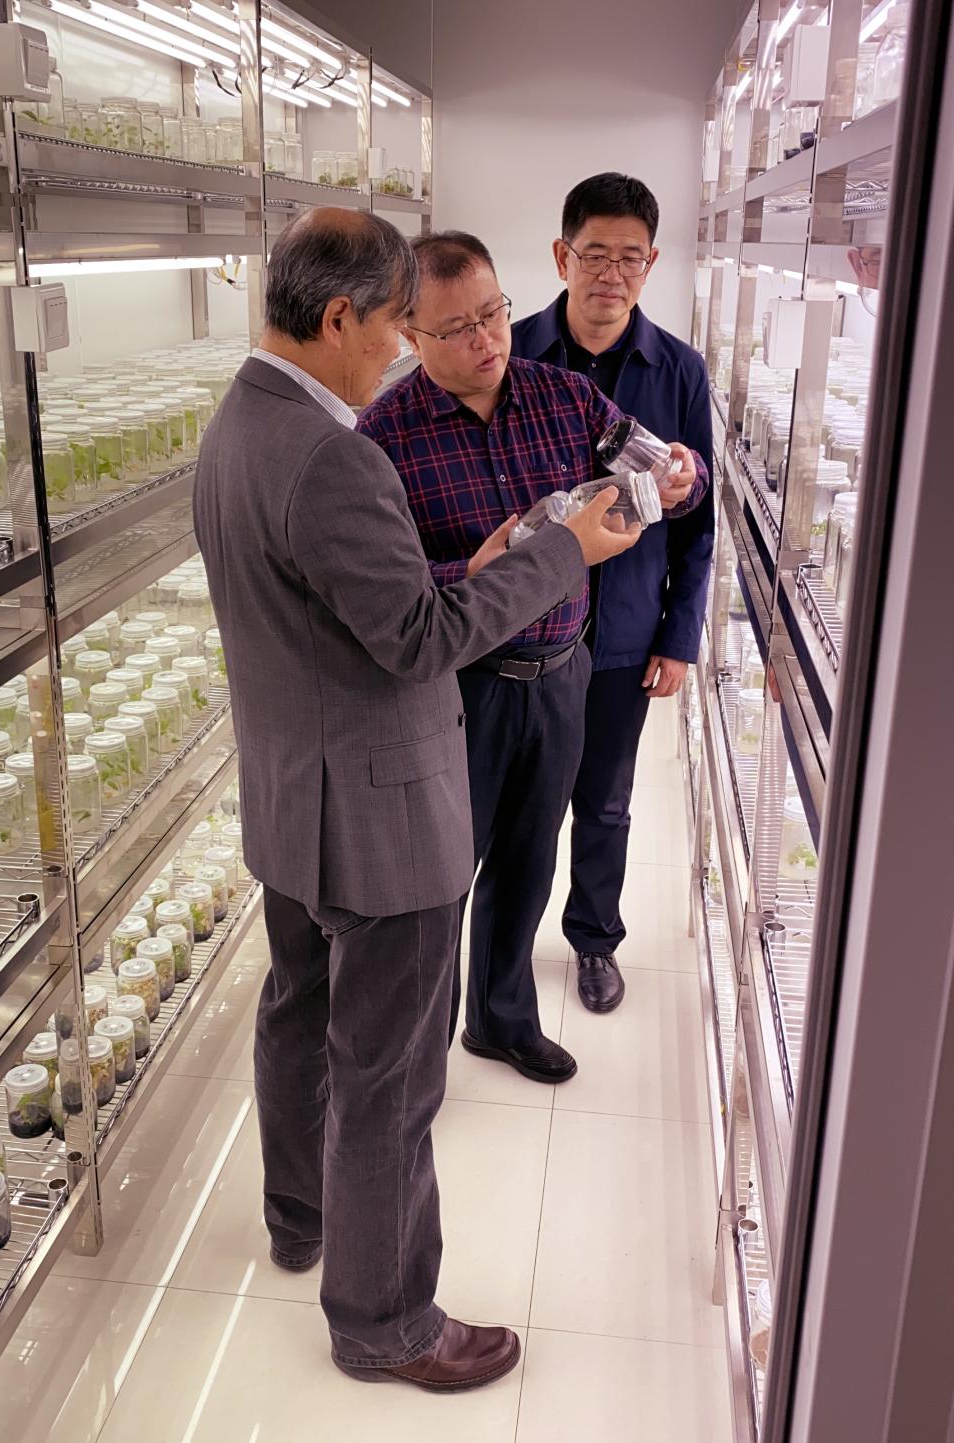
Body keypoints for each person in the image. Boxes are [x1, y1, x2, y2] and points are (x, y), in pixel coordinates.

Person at [192, 208, 639, 1392]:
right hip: (378, 816)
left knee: (299, 1014)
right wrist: (563, 554)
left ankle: (301, 1219)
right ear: (338, 317)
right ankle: (384, 1321)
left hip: (292, 800)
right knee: (387, 1075)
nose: (400, 350)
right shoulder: (335, 455)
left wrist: (465, 568)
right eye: (397, 326)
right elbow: (419, 640)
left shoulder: (239, 424)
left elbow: (343, 608)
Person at [357, 231, 706, 1083]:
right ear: (410, 335)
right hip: (456, 690)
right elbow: (380, 590)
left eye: (493, 314)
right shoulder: (381, 437)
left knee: (527, 859)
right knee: (439, 882)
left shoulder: (564, 397)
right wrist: (465, 572)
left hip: (559, 673)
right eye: (457, 329)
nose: (486, 340)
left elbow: (654, 468)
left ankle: (501, 1019)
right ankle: (418, 1057)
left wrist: (678, 475)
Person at [512, 174, 715, 1014]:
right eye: (595, 254)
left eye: (630, 258)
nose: (612, 274)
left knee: (605, 800)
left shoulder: (679, 370)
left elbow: (701, 520)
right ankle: (503, 954)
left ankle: (594, 939)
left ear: (651, 264)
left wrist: (679, 636)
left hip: (624, 630)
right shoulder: (512, 355)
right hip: (521, 628)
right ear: (562, 256)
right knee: (518, 804)